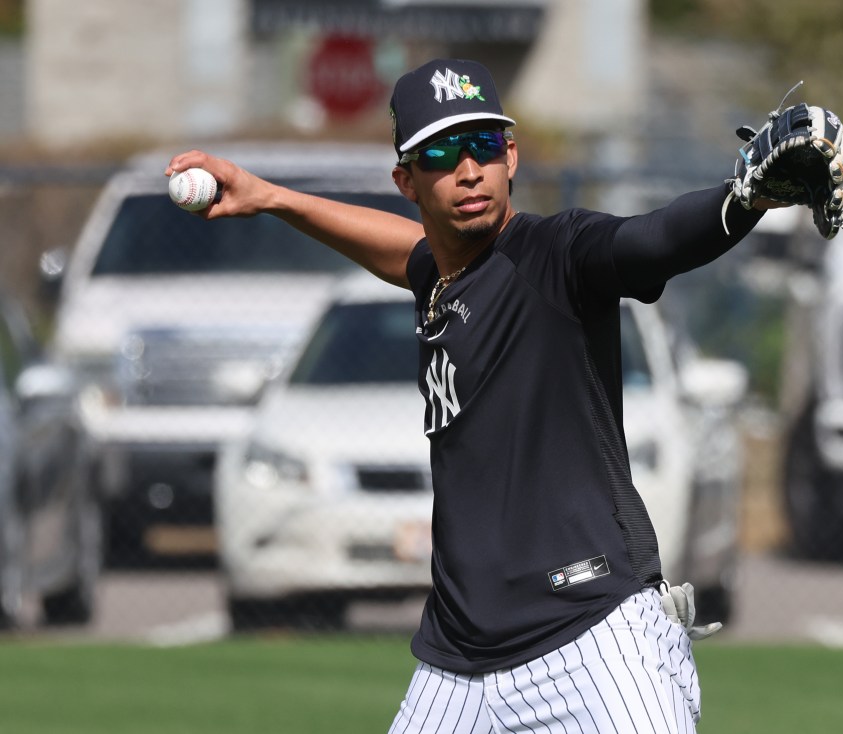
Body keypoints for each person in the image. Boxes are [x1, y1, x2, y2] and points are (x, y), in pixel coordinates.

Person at [167, 58, 783, 733]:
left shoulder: (555, 255)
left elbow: (652, 240)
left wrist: (744, 197)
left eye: (484, 145)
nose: (468, 170)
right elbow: (401, 250)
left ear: (511, 155)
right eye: (440, 154)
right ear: (406, 181)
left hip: (591, 643)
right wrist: (271, 197)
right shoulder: (441, 270)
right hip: (456, 665)